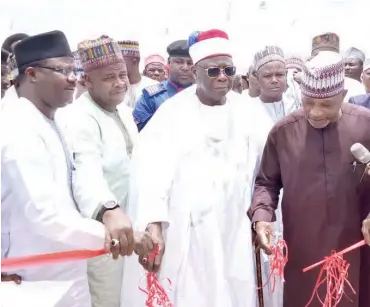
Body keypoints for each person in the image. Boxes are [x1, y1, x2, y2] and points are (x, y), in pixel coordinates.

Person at [121, 28, 271, 307]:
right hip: (188, 228)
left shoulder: (249, 113)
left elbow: (270, 170)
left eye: (228, 69)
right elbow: (150, 174)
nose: (223, 77)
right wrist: (153, 223)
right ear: (195, 73)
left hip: (236, 224)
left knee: (237, 288)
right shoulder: (171, 114)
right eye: (213, 71)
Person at [0, 30, 135, 307]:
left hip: (67, 270)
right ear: (32, 74)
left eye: (73, 69)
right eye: (62, 70)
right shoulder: (16, 128)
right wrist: (113, 236)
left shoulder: (55, 119)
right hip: (27, 278)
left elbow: (81, 174)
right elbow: (44, 215)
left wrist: (108, 210)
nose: (74, 77)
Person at [248, 50, 370, 307]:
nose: (314, 112)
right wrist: (262, 217)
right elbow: (266, 183)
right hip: (304, 249)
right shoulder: (283, 132)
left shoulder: (365, 125)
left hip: (358, 248)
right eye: (308, 102)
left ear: (343, 96)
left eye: (325, 104)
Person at [70, 35, 149, 307]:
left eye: (122, 75)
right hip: (105, 236)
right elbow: (86, 172)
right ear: (87, 81)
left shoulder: (124, 112)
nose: (119, 83)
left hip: (133, 229)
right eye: (109, 77)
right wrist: (109, 210)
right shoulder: (80, 118)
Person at [133, 40, 194, 131]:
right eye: (179, 62)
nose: (185, 67)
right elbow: (137, 133)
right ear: (169, 63)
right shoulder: (152, 97)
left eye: (190, 63)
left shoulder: (205, 95)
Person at [311, 32, 365, 102]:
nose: (347, 68)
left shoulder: (356, 87)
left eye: (329, 56)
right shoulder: (307, 81)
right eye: (318, 56)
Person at [117, 40, 158, 108]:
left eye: (120, 62)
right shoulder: (115, 88)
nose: (116, 66)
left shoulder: (154, 87)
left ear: (134, 62)